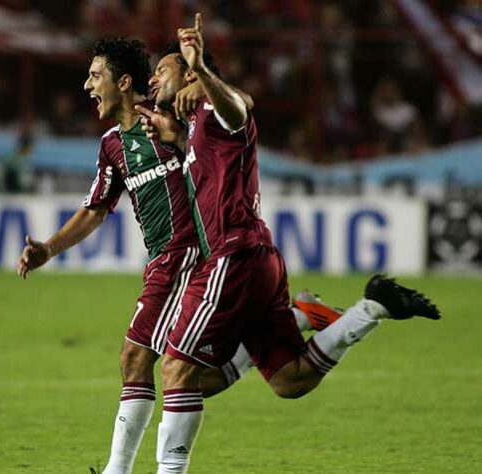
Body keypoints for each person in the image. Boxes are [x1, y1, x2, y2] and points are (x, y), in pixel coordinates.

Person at [17, 38, 341, 474]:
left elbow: (240, 104)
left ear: (124, 81)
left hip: (189, 254)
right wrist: (50, 248)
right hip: (163, 259)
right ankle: (289, 324)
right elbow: (95, 209)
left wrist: (205, 84)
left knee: (137, 357)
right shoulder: (113, 145)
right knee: (191, 378)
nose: (87, 85)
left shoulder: (172, 109)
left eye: (96, 76)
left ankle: (119, 471)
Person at [136, 14, 441, 474]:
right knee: (287, 380)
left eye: (164, 68)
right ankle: (370, 308)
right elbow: (215, 155)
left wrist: (204, 71)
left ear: (191, 73)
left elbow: (241, 105)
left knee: (176, 371)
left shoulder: (214, 109)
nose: (154, 77)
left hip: (232, 259)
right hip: (256, 262)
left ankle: (301, 316)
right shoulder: (197, 128)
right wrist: (176, 138)